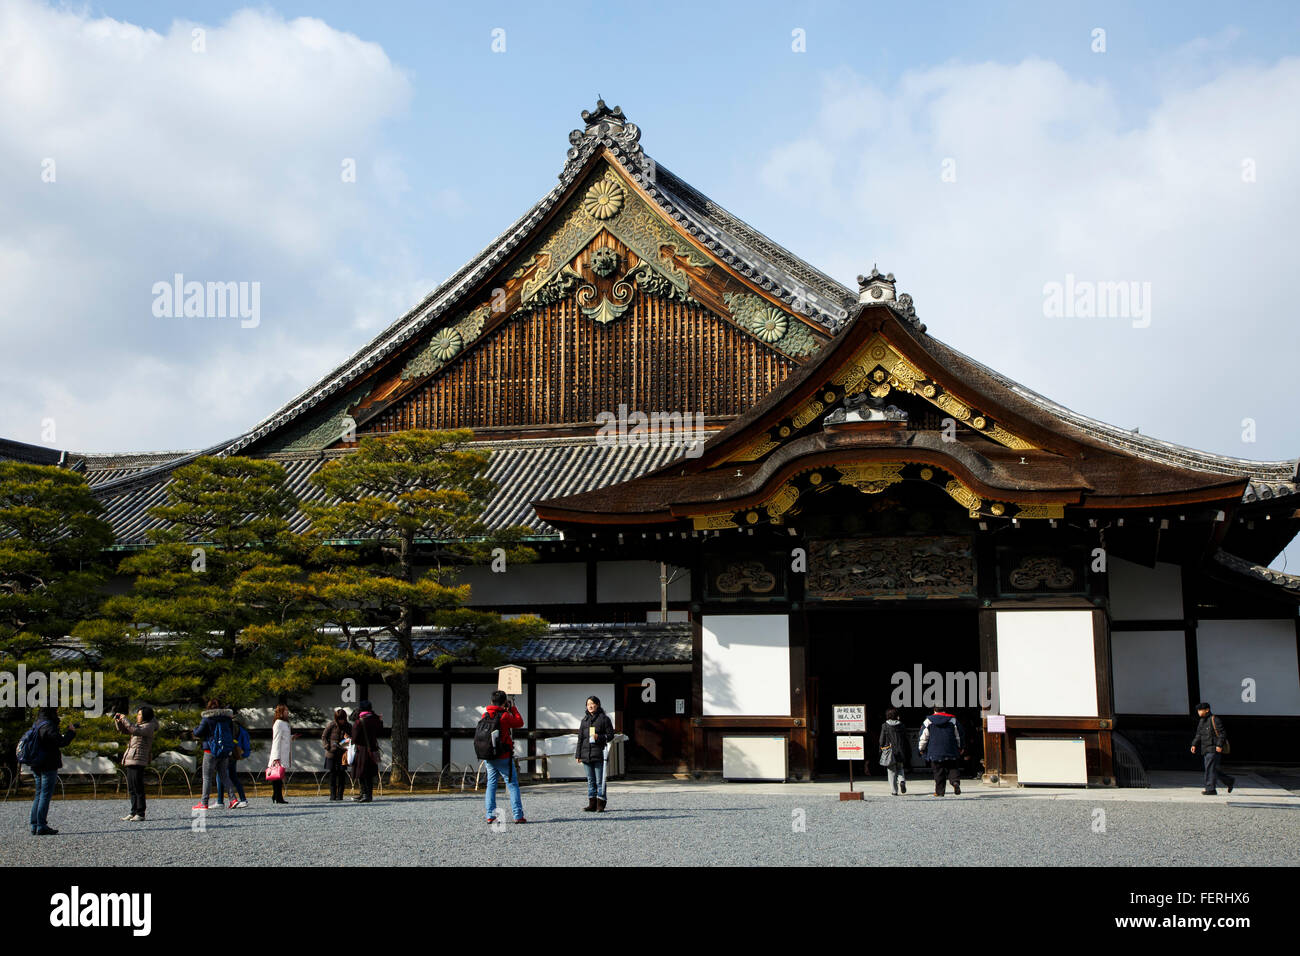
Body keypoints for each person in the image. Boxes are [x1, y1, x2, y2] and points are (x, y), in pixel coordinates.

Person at [26, 707, 77, 835]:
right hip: (48, 764)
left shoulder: (38, 723)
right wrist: (71, 732)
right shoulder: (49, 725)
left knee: (39, 793)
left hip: (36, 763)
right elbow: (61, 742)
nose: (57, 712)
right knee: (45, 795)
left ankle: (34, 825)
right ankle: (41, 825)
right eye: (56, 710)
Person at [478, 690, 525, 824]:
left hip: (489, 756)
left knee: (491, 785)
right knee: (512, 785)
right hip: (504, 756)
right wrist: (513, 708)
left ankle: (490, 815)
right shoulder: (504, 716)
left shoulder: (485, 714)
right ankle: (517, 815)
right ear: (504, 702)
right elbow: (519, 722)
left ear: (491, 701)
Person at [192, 699, 240, 812]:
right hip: (224, 750)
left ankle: (204, 802)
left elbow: (198, 732)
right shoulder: (227, 719)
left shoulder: (207, 718)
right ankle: (233, 799)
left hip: (210, 750)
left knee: (207, 777)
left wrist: (194, 729)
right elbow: (233, 732)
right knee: (224, 775)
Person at [113, 705, 159, 821]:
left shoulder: (149, 726)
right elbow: (124, 730)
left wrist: (125, 719)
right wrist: (119, 721)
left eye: (139, 714)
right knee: (132, 787)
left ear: (145, 716)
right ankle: (133, 812)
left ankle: (140, 813)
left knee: (138, 787)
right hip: (131, 758)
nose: (137, 716)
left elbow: (134, 730)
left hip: (138, 758)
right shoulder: (140, 725)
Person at [575, 695, 615, 812]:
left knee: (600, 780)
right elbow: (580, 739)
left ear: (597, 705)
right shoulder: (584, 721)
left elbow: (610, 736)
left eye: (592, 704)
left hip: (599, 754)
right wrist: (578, 755)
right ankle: (592, 803)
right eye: (588, 704)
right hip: (586, 754)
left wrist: (599, 737)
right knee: (590, 780)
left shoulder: (604, 719)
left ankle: (601, 803)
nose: (590, 706)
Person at [1190, 702, 1235, 795]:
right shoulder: (1202, 721)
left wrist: (1219, 745)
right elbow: (1199, 734)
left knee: (1209, 768)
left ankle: (1210, 789)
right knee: (1213, 769)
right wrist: (1194, 744)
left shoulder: (1215, 719)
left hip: (1213, 748)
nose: (1199, 712)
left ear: (1207, 710)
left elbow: (1222, 734)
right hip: (1205, 748)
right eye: (1198, 710)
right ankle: (1229, 780)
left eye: (1200, 710)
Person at [918, 706, 964, 796]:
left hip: (935, 750)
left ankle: (940, 792)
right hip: (951, 749)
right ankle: (955, 782)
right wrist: (960, 747)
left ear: (934, 710)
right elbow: (958, 735)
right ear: (945, 709)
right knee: (953, 768)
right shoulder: (953, 720)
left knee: (938, 772)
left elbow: (924, 737)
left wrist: (921, 748)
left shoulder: (928, 721)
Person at [349, 701, 383, 803]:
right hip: (372, 748)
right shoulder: (376, 719)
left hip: (362, 749)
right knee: (369, 773)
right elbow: (380, 732)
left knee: (361, 772)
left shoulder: (360, 721)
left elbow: (354, 738)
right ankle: (368, 794)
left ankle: (364, 794)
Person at [219, 717, 251, 808]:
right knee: (233, 777)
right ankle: (243, 799)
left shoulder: (232, 726)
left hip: (229, 754)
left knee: (221, 776)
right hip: (235, 754)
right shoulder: (241, 729)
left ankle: (220, 801)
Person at [878, 707, 910, 796]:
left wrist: (881, 749)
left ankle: (894, 791)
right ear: (897, 716)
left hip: (889, 751)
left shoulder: (885, 726)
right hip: (900, 750)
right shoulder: (902, 725)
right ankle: (902, 781)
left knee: (891, 771)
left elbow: (881, 740)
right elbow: (906, 739)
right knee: (900, 768)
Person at [321, 708, 351, 801]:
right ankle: (332, 795)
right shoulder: (331, 725)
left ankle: (340, 795)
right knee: (333, 775)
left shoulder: (348, 726)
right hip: (332, 754)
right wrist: (327, 746)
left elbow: (351, 738)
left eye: (342, 718)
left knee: (342, 775)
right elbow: (324, 736)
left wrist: (345, 742)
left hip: (342, 754)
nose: (341, 721)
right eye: (339, 719)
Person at [268, 704, 293, 804]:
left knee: (279, 775)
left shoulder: (284, 723)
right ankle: (278, 796)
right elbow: (276, 740)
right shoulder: (278, 723)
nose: (287, 712)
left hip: (284, 752)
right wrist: (276, 756)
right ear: (281, 712)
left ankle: (276, 795)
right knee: (277, 775)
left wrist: (291, 737)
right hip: (279, 753)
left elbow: (284, 737)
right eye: (286, 711)